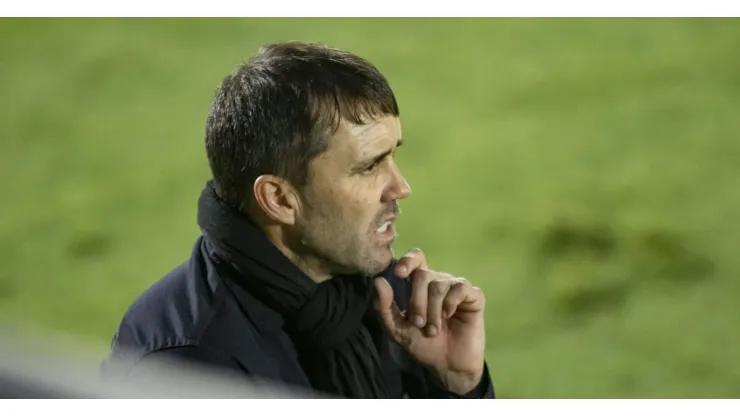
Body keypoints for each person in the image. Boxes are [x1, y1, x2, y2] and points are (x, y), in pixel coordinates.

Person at [102, 41, 495, 399]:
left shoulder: (394, 304)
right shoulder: (188, 365)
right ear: (279, 199)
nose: (401, 187)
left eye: (394, 155)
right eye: (370, 166)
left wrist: (460, 385)